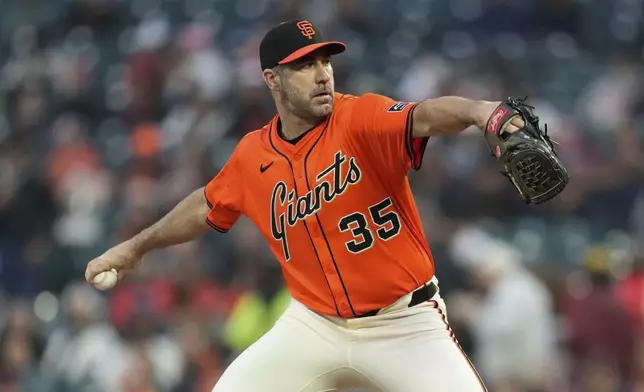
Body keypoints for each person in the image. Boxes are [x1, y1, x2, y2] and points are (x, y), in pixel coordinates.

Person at [85, 19, 524, 392]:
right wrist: (136, 247)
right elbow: (205, 206)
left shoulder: (359, 118)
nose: (322, 75)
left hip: (404, 322)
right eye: (304, 65)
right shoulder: (252, 156)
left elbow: (424, 115)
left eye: (325, 62)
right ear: (272, 78)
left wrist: (478, 110)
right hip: (315, 325)